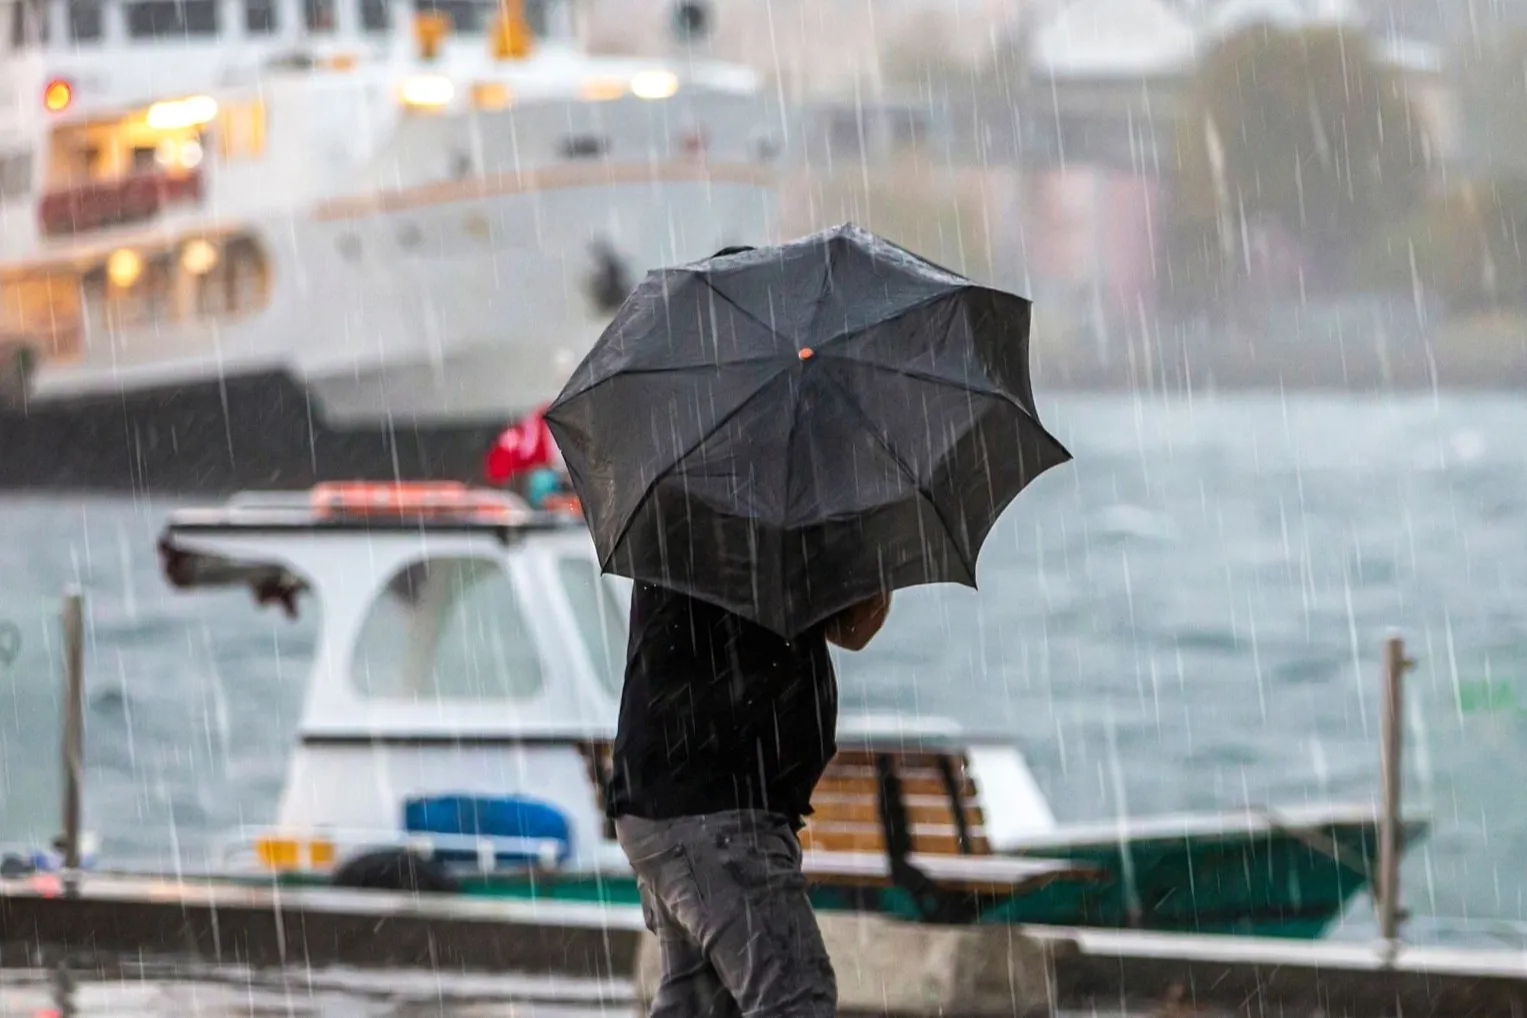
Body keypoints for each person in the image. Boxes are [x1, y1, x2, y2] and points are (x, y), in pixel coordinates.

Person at [608, 585, 891, 1018]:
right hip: (712, 809)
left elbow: (852, 626)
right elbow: (848, 621)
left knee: (704, 1004)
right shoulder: (747, 530)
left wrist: (873, 550)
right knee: (795, 997)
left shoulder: (730, 531)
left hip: (680, 801)